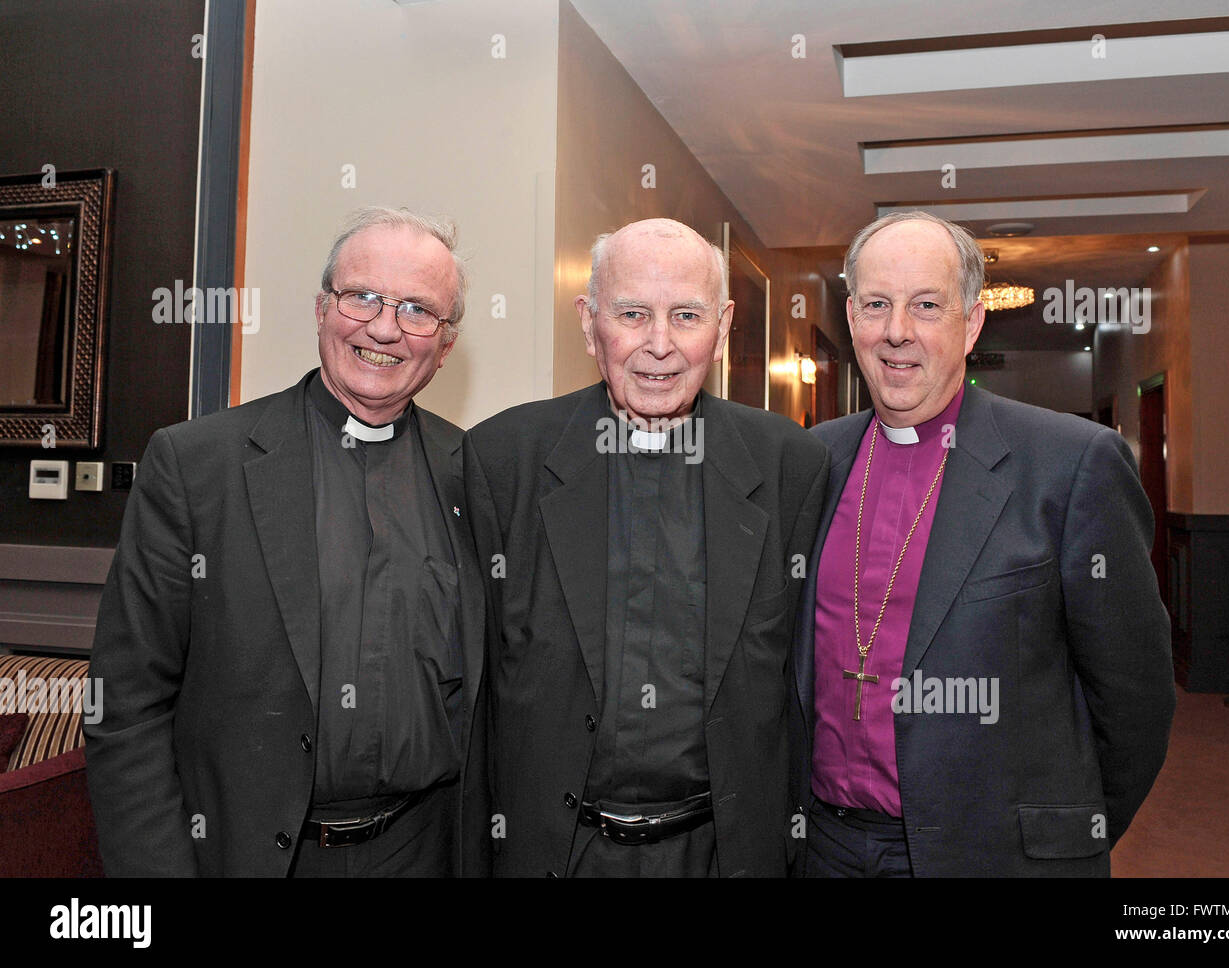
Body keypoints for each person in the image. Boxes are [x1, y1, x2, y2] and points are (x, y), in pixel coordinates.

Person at [85, 207, 488, 876]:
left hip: (426, 852)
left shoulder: (475, 473)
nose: (385, 328)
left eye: (419, 310)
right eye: (363, 297)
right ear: (322, 307)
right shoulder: (197, 465)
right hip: (255, 857)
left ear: (444, 345)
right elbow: (125, 705)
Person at [791, 211, 1174, 876]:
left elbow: (1135, 696)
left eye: (927, 306)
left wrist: (1060, 836)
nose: (897, 331)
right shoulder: (808, 461)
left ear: (970, 324)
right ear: (852, 318)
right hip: (826, 846)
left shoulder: (1071, 461)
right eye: (877, 305)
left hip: (995, 855)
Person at [465, 218, 828, 877]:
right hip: (556, 850)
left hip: (723, 852)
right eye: (632, 313)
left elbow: (802, 682)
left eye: (686, 315)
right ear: (589, 322)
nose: (659, 345)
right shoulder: (503, 459)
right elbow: (474, 688)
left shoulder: (790, 468)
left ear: (722, 329)